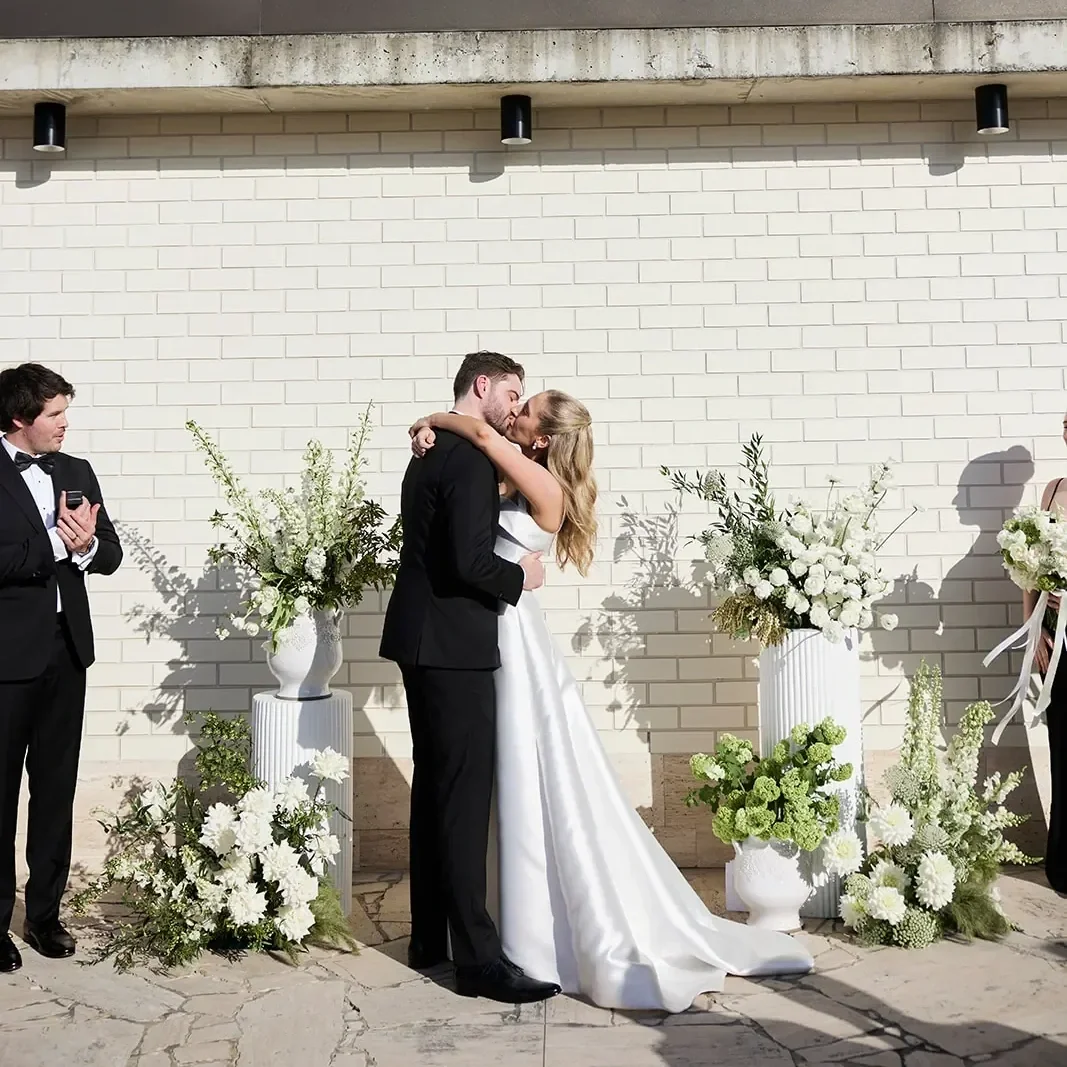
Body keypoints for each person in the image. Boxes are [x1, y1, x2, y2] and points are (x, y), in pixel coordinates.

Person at [407, 390, 814, 1013]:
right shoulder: (510, 479)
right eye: (516, 398)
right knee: (481, 781)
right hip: (484, 629)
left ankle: (522, 934)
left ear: (542, 439)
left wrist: (432, 417)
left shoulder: (542, 486)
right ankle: (486, 923)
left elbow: (486, 440)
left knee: (518, 765)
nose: (513, 411)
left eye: (527, 407)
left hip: (509, 637)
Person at [378, 352, 561, 1004]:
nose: (514, 406)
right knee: (458, 801)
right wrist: (521, 578)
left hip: (421, 638)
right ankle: (479, 963)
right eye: (510, 391)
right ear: (481, 385)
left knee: (433, 791)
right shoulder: (467, 456)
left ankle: (428, 937)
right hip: (452, 644)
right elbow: (467, 561)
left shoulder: (432, 447)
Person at [0, 363, 122, 975]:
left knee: (55, 789)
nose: (65, 424)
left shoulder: (75, 471)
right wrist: (56, 543)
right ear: (21, 418)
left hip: (66, 651)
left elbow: (111, 553)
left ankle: (45, 916)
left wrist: (90, 547)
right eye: (55, 414)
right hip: (5, 659)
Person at [1029, 409, 1067, 894]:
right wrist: (1033, 629)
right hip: (1056, 635)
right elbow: (1033, 567)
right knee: (1063, 743)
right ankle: (1062, 863)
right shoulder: (1052, 491)